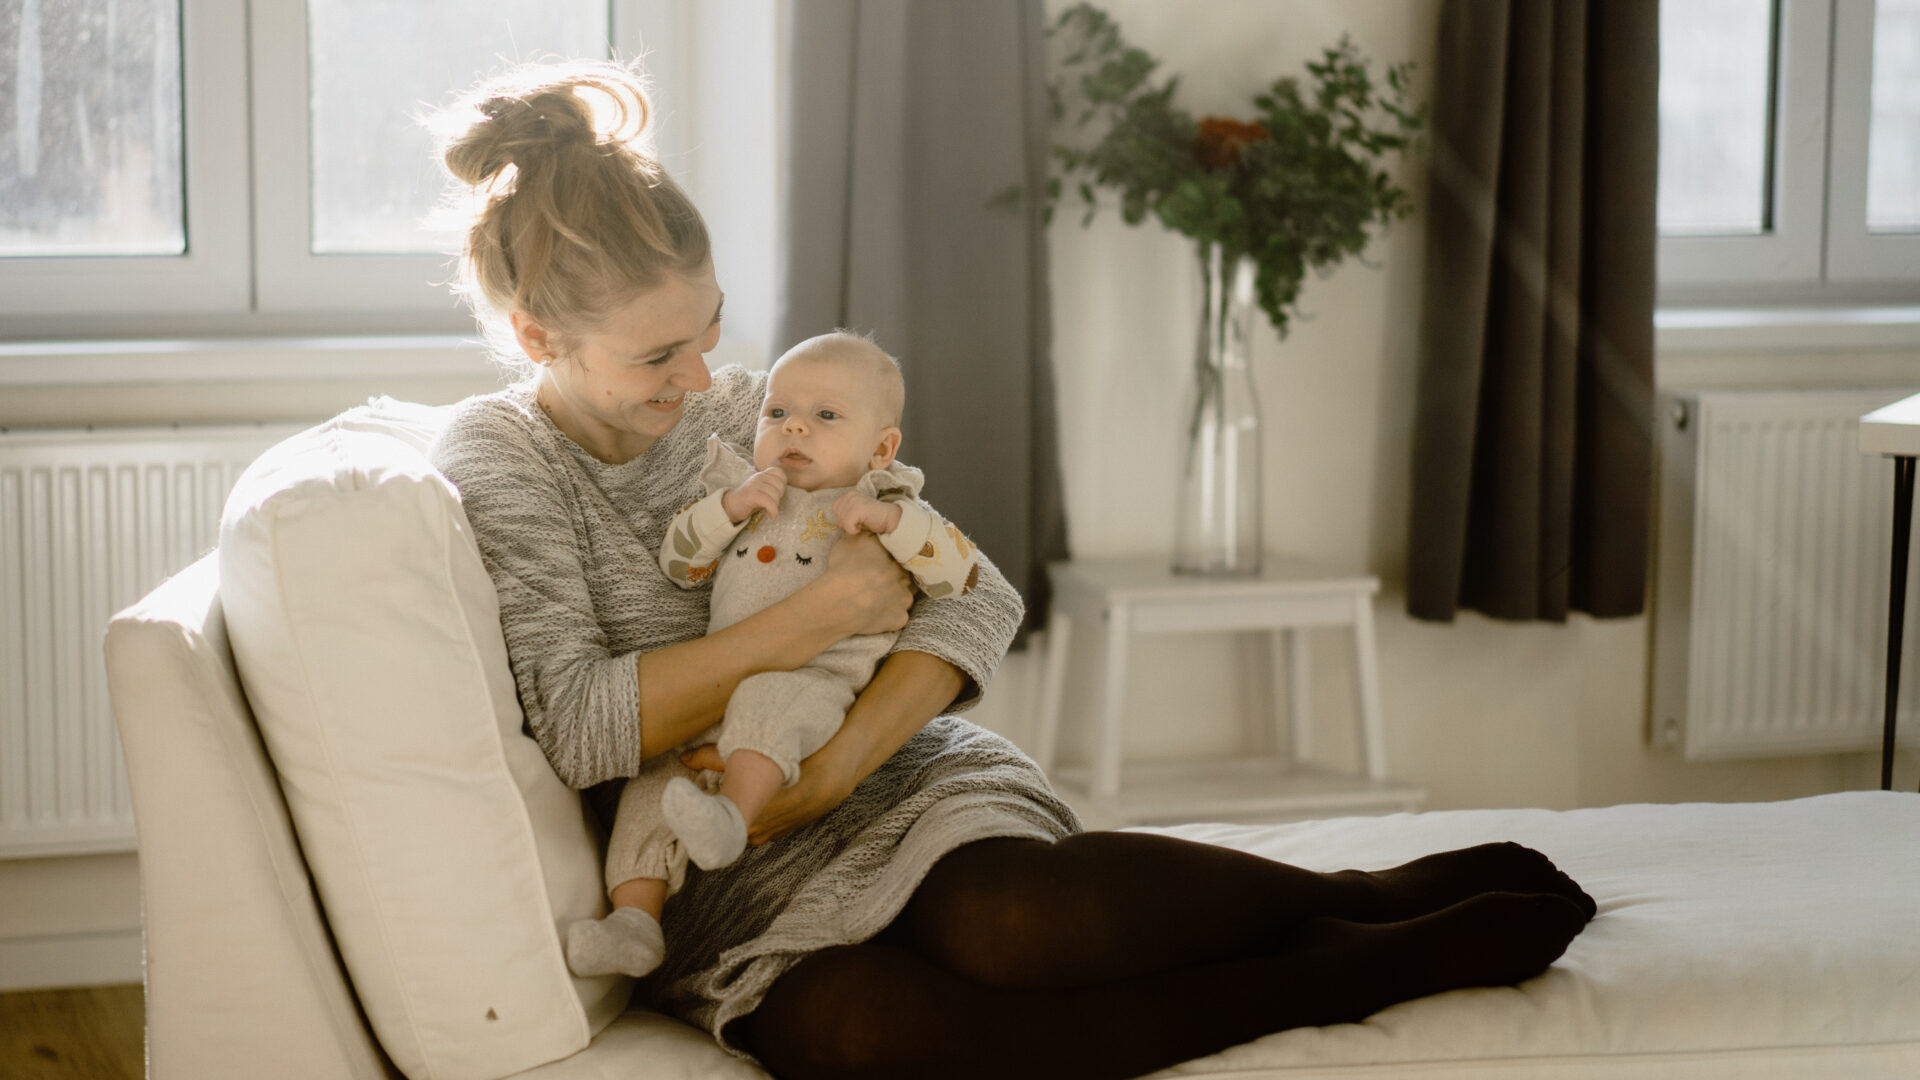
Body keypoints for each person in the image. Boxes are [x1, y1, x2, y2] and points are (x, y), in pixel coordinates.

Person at [429, 60, 1595, 1080]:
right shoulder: (501, 458)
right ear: (539, 337)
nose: (703, 382)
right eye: (657, 356)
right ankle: (1353, 970)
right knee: (868, 1044)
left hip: (883, 772)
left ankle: (1364, 901)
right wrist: (817, 617)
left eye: (711, 330)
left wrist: (836, 766)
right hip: (703, 862)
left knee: (1010, 929)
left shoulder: (754, 413)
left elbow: (976, 594)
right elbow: (583, 728)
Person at [566, 329, 984, 980]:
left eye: (825, 418)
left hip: (815, 687)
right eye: (778, 413)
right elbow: (679, 563)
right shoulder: (744, 491)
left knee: (767, 704)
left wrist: (890, 527)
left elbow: (963, 579)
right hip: (715, 699)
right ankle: (636, 922)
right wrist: (729, 507)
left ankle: (732, 815)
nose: (794, 431)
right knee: (651, 789)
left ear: (881, 447)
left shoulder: (889, 501)